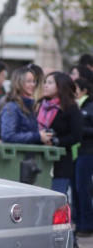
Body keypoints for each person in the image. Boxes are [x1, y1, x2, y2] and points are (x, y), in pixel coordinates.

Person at [36, 72, 83, 195]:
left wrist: (55, 142)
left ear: (60, 86)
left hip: (60, 163)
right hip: (38, 160)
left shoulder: (71, 108)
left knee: (55, 203)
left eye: (50, 83)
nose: (45, 85)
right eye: (45, 82)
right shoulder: (40, 105)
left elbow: (76, 136)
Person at [0, 67, 52, 144]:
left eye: (34, 81)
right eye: (28, 81)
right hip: (19, 155)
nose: (33, 84)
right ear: (19, 83)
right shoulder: (12, 107)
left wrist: (42, 139)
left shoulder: (29, 106)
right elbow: (8, 136)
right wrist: (37, 136)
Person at [74, 78, 93, 237]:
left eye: (76, 89)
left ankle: (87, 224)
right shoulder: (76, 106)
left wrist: (80, 130)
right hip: (76, 153)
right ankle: (80, 223)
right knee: (76, 189)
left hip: (87, 153)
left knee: (83, 189)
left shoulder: (89, 107)